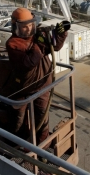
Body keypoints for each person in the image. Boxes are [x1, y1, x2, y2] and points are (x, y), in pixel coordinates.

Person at [4, 8, 69, 145]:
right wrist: (39, 43)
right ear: (16, 26)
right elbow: (28, 63)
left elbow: (55, 46)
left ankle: (41, 148)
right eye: (24, 26)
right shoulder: (13, 43)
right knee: (17, 120)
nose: (28, 29)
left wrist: (60, 33)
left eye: (30, 25)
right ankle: (16, 144)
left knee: (42, 118)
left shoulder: (38, 34)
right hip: (23, 87)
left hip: (42, 85)